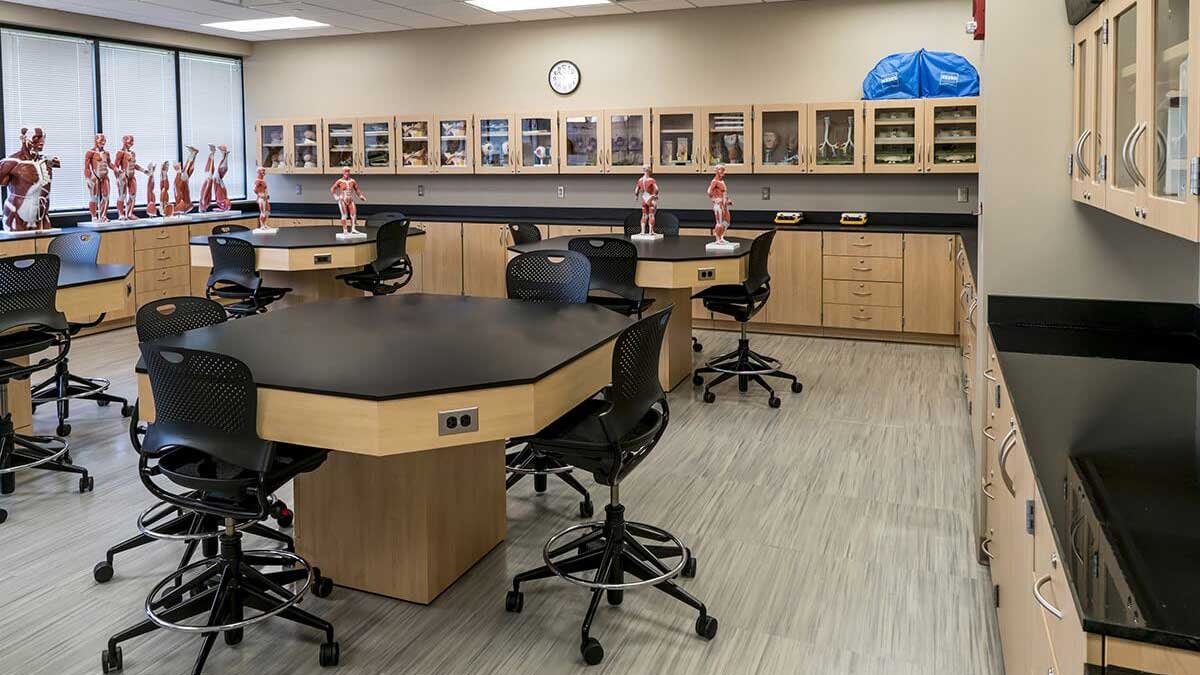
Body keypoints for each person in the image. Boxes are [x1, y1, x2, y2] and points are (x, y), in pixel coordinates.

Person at [0, 127, 60, 231]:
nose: (41, 141)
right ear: (24, 139)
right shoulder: (12, 162)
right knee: (19, 246)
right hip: (17, 212)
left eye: (43, 138)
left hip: (41, 213)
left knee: (46, 245)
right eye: (36, 137)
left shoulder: (46, 161)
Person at [113, 135, 149, 221]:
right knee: (122, 195)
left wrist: (143, 170)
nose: (132, 143)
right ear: (124, 141)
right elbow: (115, 165)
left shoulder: (132, 153)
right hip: (124, 175)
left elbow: (134, 165)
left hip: (132, 176)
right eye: (130, 141)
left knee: (133, 195)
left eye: (132, 142)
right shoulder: (120, 153)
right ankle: (121, 214)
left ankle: (129, 213)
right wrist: (118, 176)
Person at [84, 133, 113, 222]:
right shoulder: (90, 152)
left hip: (105, 176)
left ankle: (103, 215)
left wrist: (116, 169)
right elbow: (86, 167)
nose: (103, 142)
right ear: (96, 141)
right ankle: (94, 216)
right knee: (94, 197)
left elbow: (109, 163)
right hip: (95, 176)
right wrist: (87, 178)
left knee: (106, 197)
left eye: (104, 141)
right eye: (101, 141)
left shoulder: (106, 153)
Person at [330, 168, 366, 235]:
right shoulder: (340, 181)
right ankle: (345, 230)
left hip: (350, 199)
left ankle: (353, 229)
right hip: (342, 199)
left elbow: (357, 189)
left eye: (348, 171)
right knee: (344, 215)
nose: (347, 173)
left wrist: (361, 196)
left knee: (353, 214)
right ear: (343, 172)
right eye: (345, 171)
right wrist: (335, 196)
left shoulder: (352, 181)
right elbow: (332, 189)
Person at [706, 165, 732, 244]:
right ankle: (717, 238)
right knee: (719, 223)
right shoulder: (714, 181)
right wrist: (714, 200)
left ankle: (721, 237)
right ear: (717, 171)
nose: (723, 173)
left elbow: (724, 193)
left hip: (724, 204)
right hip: (719, 205)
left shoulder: (722, 182)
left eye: (724, 171)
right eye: (722, 170)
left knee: (726, 222)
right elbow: (709, 192)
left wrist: (727, 200)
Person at [633, 165, 659, 236]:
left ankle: (642, 231)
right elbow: (656, 188)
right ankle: (651, 232)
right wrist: (655, 195)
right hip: (650, 198)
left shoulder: (640, 180)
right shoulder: (651, 180)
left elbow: (636, 190)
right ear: (649, 170)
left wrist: (636, 196)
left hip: (644, 198)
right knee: (651, 215)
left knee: (644, 215)